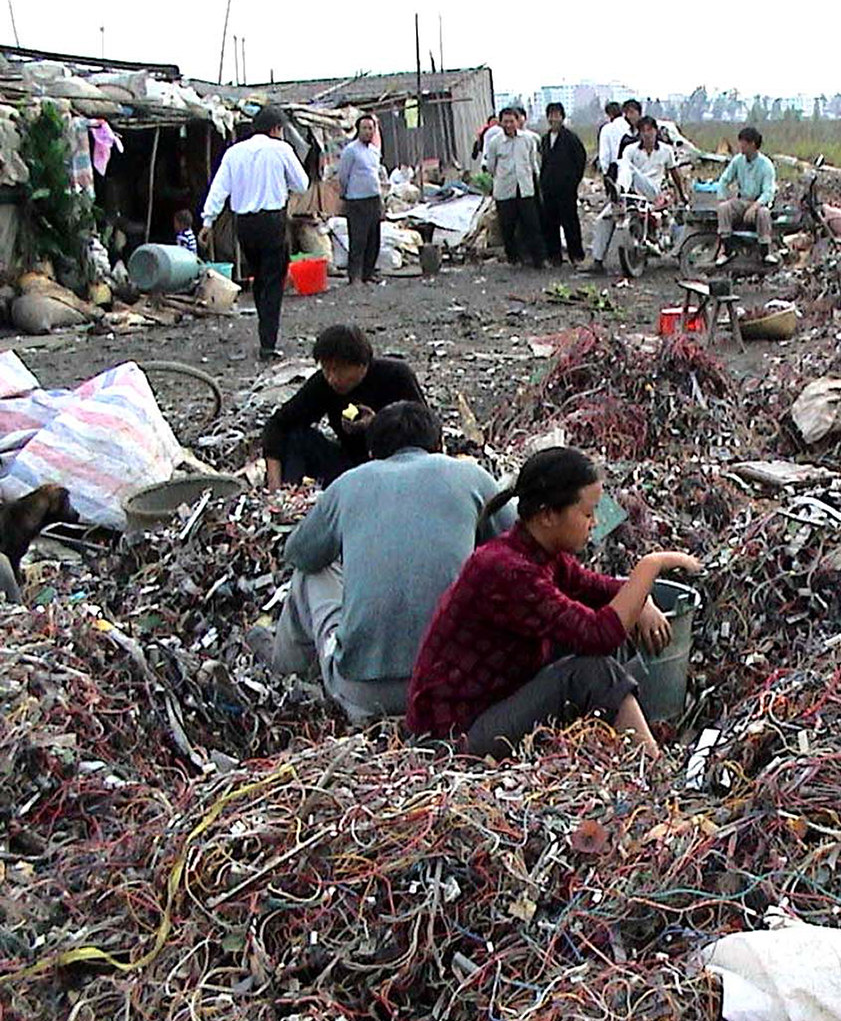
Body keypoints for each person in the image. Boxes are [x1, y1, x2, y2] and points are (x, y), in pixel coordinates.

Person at [407, 447, 700, 757]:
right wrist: (651, 565)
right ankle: (655, 769)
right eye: (587, 514)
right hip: (455, 735)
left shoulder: (539, 553)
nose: (594, 523)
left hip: (492, 700)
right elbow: (601, 634)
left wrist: (644, 601)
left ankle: (638, 735)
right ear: (547, 514)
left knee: (604, 629)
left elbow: (597, 588)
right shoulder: (507, 570)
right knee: (594, 671)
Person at [270, 402, 514, 722]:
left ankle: (284, 672)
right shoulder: (471, 476)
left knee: (311, 573)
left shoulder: (349, 483)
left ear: (372, 453)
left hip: (365, 696)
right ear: (439, 447)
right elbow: (518, 546)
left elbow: (299, 553)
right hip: (457, 690)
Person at [201, 105, 309, 361]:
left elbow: (219, 189)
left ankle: (265, 328)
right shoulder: (281, 149)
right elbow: (302, 184)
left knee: (259, 276)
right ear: (276, 129)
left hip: (245, 225)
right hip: (272, 221)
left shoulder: (234, 152)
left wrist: (207, 221)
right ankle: (268, 343)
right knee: (273, 280)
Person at [261, 323, 426, 489]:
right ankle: (289, 496)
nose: (332, 378)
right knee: (297, 436)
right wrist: (274, 484)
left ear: (362, 365)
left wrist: (378, 423)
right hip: (349, 469)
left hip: (395, 470)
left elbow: (425, 430)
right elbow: (278, 424)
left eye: (339, 370)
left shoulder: (396, 375)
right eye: (327, 369)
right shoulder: (323, 384)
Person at [586, 116, 682, 274]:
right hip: (633, 196)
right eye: (643, 130)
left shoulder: (666, 150)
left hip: (653, 191)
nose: (646, 134)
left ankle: (619, 191)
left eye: (649, 130)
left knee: (627, 167)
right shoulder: (630, 149)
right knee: (604, 218)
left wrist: (681, 194)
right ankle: (597, 260)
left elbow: (675, 173)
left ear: (656, 131)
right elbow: (623, 169)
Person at [484, 105, 546, 268]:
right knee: (508, 226)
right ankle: (513, 258)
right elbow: (491, 166)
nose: (509, 125)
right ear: (500, 123)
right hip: (505, 190)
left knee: (532, 224)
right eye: (505, 122)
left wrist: (536, 182)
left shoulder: (527, 140)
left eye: (512, 121)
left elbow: (533, 163)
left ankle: (538, 258)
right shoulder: (495, 143)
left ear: (517, 122)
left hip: (525, 188)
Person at [715, 126, 777, 266]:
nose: (740, 146)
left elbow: (768, 192)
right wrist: (722, 197)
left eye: (743, 142)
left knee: (764, 213)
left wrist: (754, 207)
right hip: (742, 201)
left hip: (757, 203)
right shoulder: (738, 161)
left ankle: (765, 252)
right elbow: (724, 180)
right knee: (724, 208)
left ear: (752, 144)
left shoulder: (766, 165)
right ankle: (727, 251)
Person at [337, 113, 384, 285]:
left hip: (373, 199)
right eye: (364, 128)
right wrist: (345, 193)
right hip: (356, 201)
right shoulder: (351, 151)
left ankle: (368, 273)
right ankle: (355, 275)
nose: (368, 131)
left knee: (374, 239)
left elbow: (376, 174)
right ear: (358, 130)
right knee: (358, 239)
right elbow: (343, 175)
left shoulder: (374, 151)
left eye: (371, 128)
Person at [539, 102, 587, 266]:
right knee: (550, 223)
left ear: (562, 117)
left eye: (557, 115)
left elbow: (581, 160)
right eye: (551, 115)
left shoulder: (570, 138)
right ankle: (554, 256)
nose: (554, 119)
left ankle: (576, 255)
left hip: (566, 189)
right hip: (549, 189)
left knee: (570, 222)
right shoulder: (544, 140)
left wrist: (574, 181)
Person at [595, 101, 628, 177]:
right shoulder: (629, 126)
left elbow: (604, 153)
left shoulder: (607, 129)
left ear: (609, 114)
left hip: (614, 167)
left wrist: (605, 171)